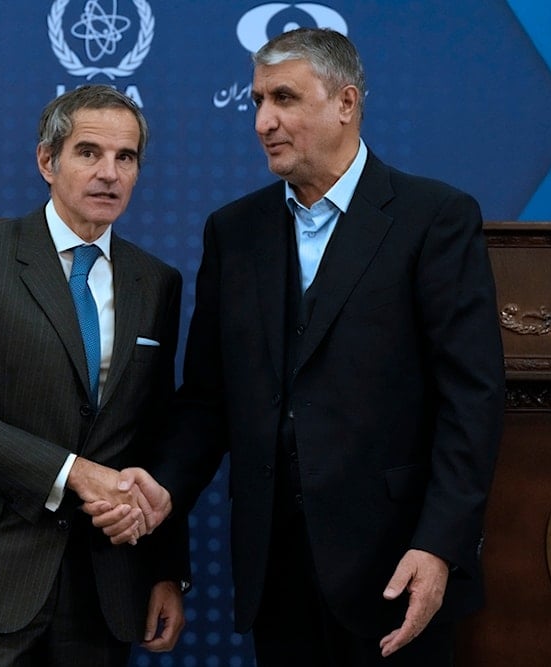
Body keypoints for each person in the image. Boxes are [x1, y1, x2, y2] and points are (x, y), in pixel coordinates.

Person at [94, 27, 506, 665]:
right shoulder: (233, 231)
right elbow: (207, 400)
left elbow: (471, 400)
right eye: (257, 101)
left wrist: (441, 544)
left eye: (283, 98)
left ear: (346, 103)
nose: (263, 121)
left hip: (396, 566)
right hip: (274, 571)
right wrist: (162, 492)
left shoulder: (435, 219)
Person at [0, 84, 188, 666]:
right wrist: (75, 473)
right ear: (47, 161)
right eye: (89, 152)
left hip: (105, 592)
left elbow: (156, 434)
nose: (109, 173)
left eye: (126, 157)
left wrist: (167, 571)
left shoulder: (156, 281)